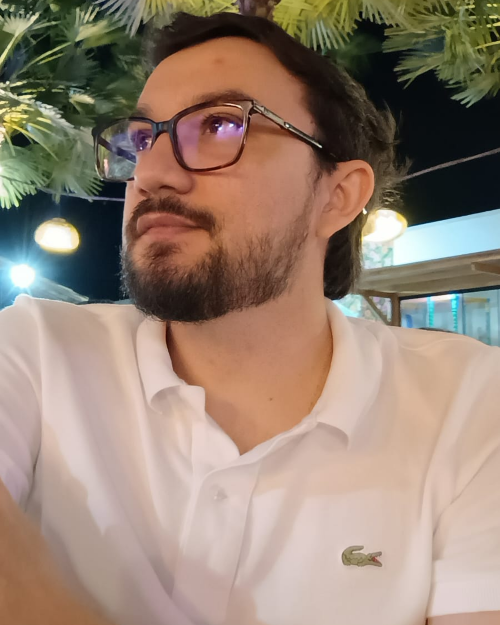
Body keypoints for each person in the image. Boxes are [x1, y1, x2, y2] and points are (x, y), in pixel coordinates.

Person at [0, 11, 499, 625]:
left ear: (338, 195)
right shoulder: (38, 350)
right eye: (141, 140)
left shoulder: (468, 405)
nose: (151, 174)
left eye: (219, 125)